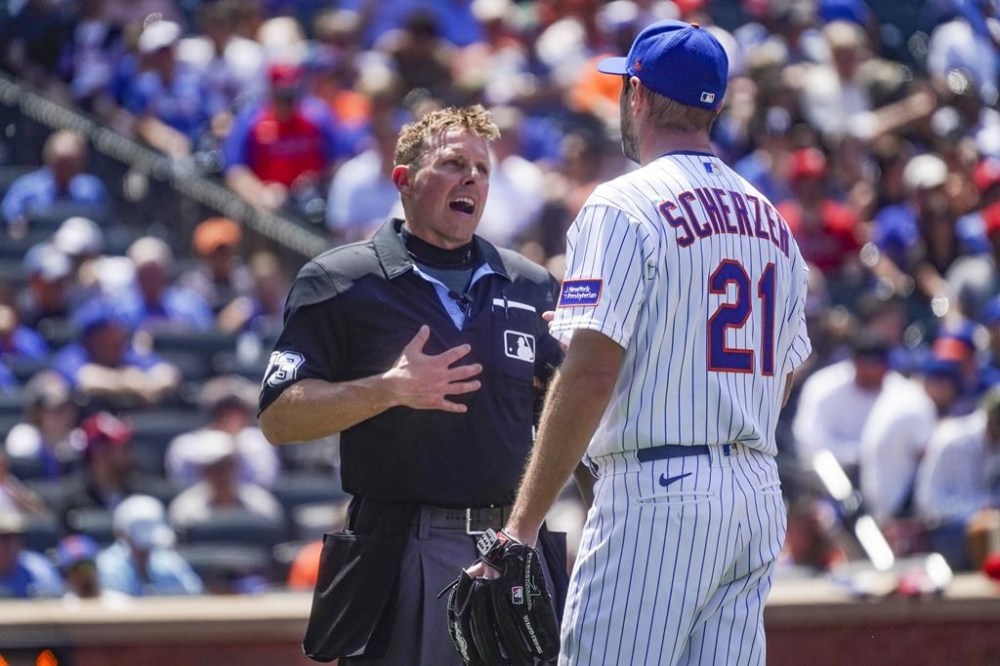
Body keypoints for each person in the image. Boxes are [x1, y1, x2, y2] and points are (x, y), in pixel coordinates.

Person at [474, 21, 812, 665]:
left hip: (659, 488)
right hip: (756, 491)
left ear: (637, 95)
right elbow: (785, 372)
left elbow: (591, 373)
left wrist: (519, 530)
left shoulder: (623, 204)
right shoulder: (771, 218)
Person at [258, 104, 566, 664]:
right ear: (403, 180)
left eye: (482, 167)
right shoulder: (341, 280)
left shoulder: (531, 283)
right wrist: (390, 388)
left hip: (517, 544)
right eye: (452, 163)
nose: (472, 177)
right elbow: (279, 417)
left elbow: (565, 410)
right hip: (406, 550)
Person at [0, 130, 108, 237]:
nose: (65, 169)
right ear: (48, 158)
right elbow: (10, 221)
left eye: (71, 164)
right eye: (61, 163)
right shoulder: (26, 189)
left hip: (79, 248)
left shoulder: (92, 189)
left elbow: (102, 225)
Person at [97, 494, 203, 597]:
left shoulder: (170, 563)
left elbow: (194, 599)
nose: (145, 551)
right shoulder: (108, 568)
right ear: (123, 534)